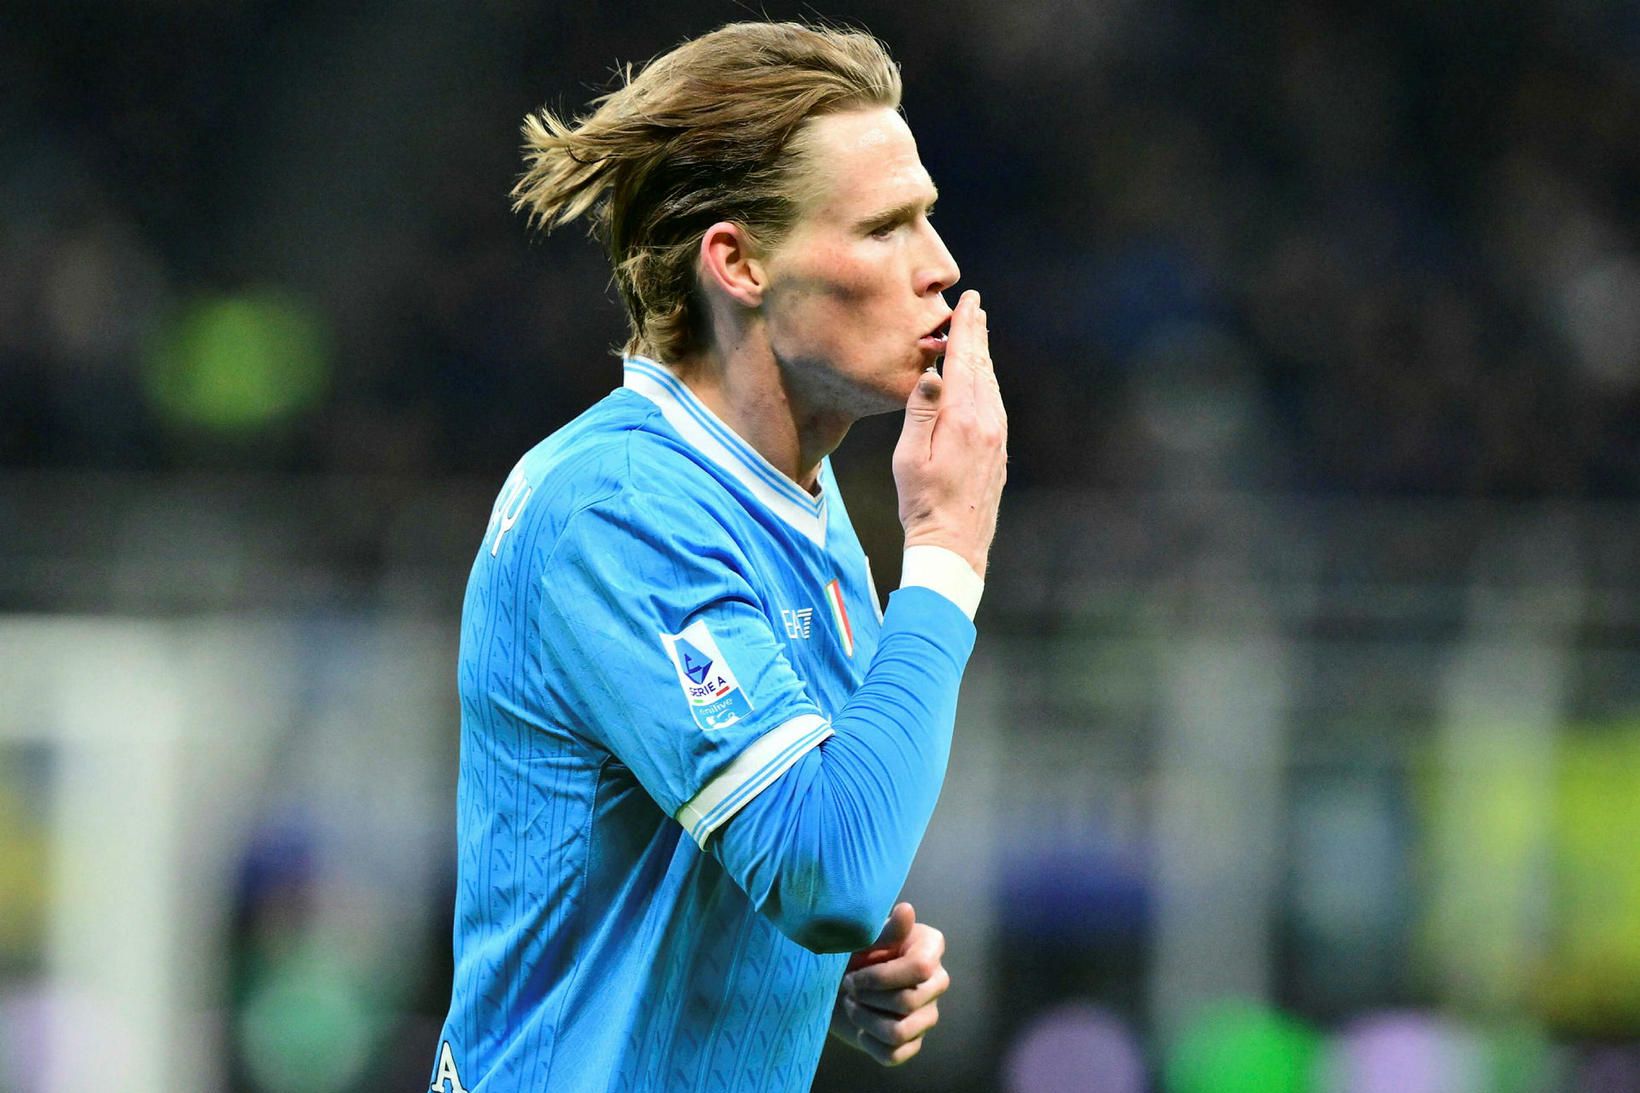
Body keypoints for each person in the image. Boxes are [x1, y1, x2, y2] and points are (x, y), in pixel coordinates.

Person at [431, 20, 1006, 1093]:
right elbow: (827, 875)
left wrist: (820, 975)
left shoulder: (803, 506)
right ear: (737, 263)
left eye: (926, 217)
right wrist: (944, 555)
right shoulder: (619, 509)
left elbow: (793, 864)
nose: (940, 266)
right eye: (885, 228)